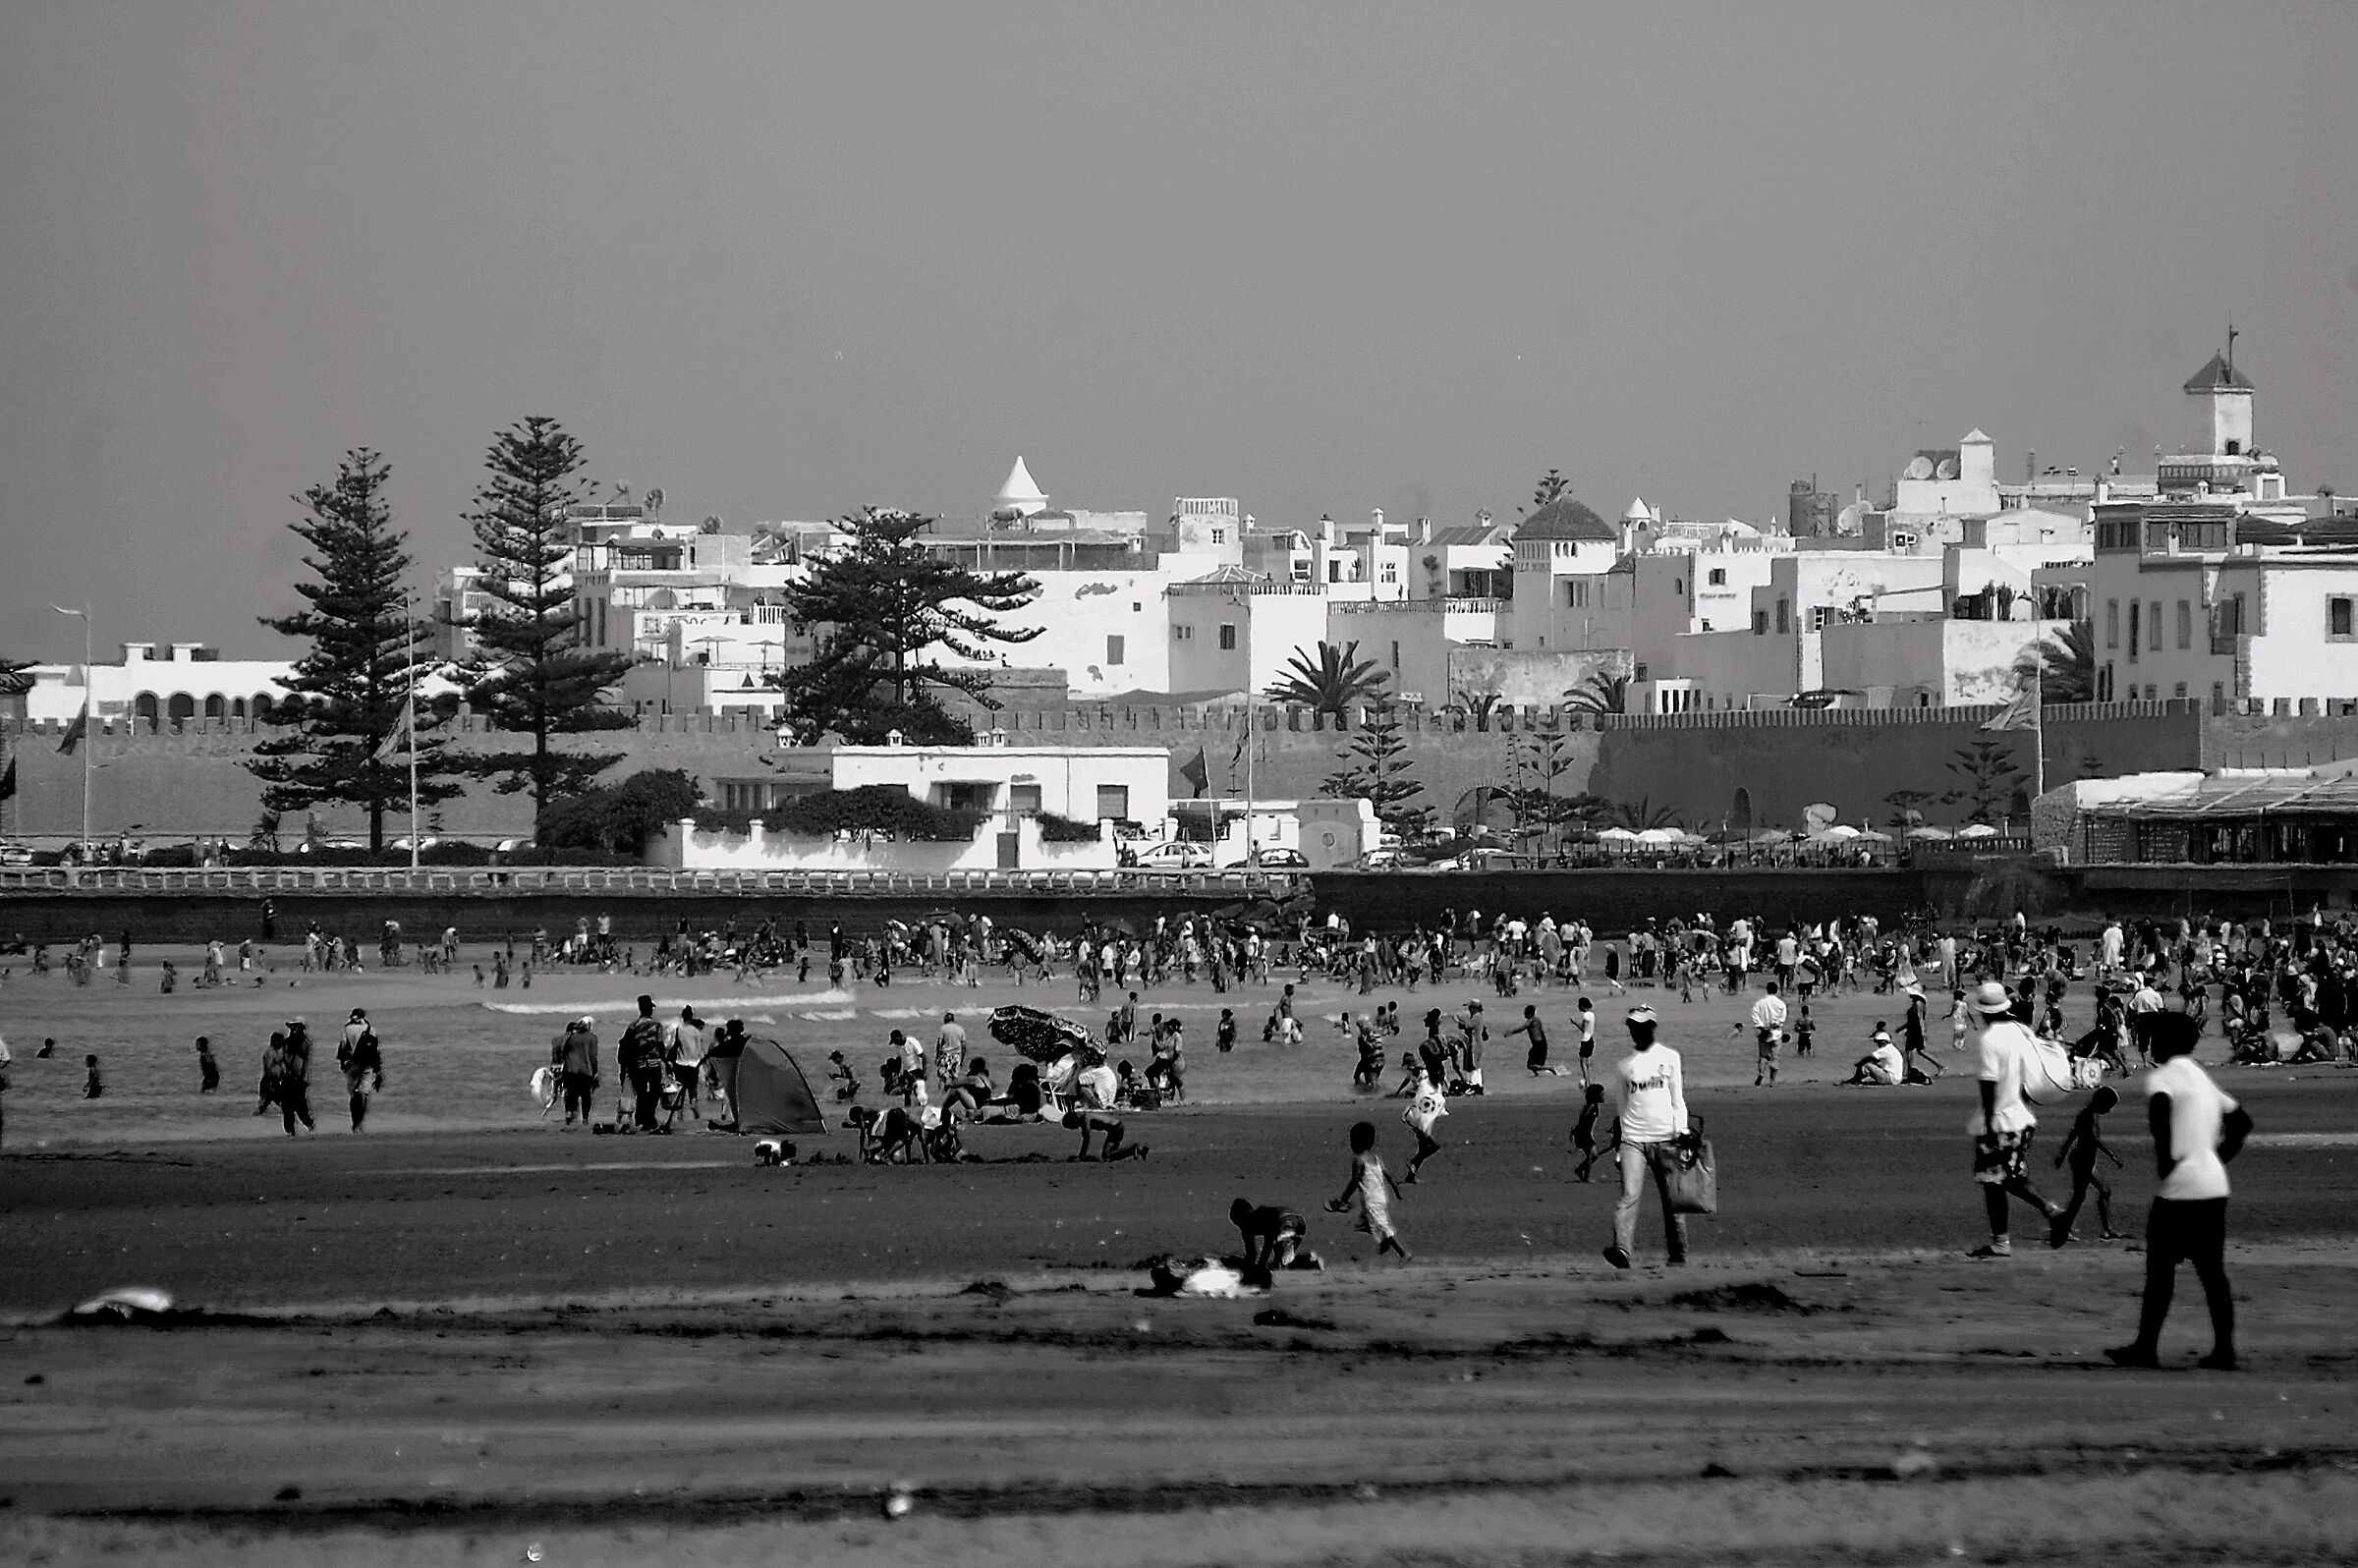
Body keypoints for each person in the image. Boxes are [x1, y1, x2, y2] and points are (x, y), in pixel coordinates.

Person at [2107, 1011, 2250, 1370]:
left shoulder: (2163, 1076)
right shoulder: (2202, 1077)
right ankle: (2224, 1351)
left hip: (2180, 1187)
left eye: (2155, 1037)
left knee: (2159, 1272)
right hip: (2214, 1185)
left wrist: (2166, 1161)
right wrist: (2217, 1158)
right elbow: (2242, 1122)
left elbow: (2159, 1111)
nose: (2151, 1042)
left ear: (2166, 1042)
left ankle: (2145, 1348)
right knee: (2212, 1273)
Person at [1965, 980, 2060, 1259]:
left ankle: (2004, 1240)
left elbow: (1988, 1084)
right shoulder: (2022, 1031)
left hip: (2001, 1121)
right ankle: (2051, 1213)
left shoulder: (1990, 1038)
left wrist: (1991, 1122)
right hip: (2022, 1117)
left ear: (1984, 1011)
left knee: (1993, 1182)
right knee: (2010, 1179)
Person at [1603, 1004, 1689, 1269]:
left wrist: (1683, 1132)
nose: (1636, 1031)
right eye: (1632, 1026)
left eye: (1641, 1026)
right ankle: (1623, 1250)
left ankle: (1678, 1255)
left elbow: (1678, 1099)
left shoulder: (1670, 1057)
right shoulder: (1623, 1067)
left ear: (1652, 1026)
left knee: (1672, 1201)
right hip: (1633, 1140)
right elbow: (1622, 1107)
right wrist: (1621, 1145)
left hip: (1667, 1138)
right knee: (1629, 1196)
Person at [2051, 1085, 2125, 1245]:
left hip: (2084, 1161)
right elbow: (2092, 1139)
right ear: (2102, 1103)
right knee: (2089, 1194)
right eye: (2109, 1106)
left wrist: (2062, 1155)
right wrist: (2112, 1156)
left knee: (2089, 1194)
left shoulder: (2089, 1113)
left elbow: (2073, 1134)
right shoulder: (2089, 1115)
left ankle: (2104, 1230)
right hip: (2082, 1162)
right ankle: (2068, 1229)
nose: (2110, 1111)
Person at [1325, 1121, 1410, 1260]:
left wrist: (1343, 1199)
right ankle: (1384, 1242)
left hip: (1371, 1199)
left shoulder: (1359, 1160)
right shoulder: (1376, 1158)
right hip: (1381, 1197)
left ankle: (1402, 1252)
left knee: (1382, 1226)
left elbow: (1354, 1181)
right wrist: (1397, 1191)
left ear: (1356, 1142)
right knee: (1365, 1224)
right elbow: (1389, 1176)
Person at [1231, 1198, 1322, 1279]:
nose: (1240, 1226)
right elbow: (1251, 1255)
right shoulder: (1247, 1228)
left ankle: (1309, 1261)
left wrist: (1259, 1267)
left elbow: (1268, 1243)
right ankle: (1307, 1261)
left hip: (1286, 1222)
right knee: (1280, 1261)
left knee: (1282, 1258)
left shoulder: (1260, 1215)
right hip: (1297, 1222)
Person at [618, 995, 667, 1132]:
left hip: (637, 1065)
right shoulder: (656, 1025)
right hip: (652, 1063)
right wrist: (666, 1062)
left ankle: (641, 1119)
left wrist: (624, 1068)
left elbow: (625, 1047)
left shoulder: (632, 1026)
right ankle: (649, 1118)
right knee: (655, 1092)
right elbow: (660, 1045)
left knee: (641, 1093)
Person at [1401, 1058, 1448, 1183]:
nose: (1440, 1077)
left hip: (1418, 1120)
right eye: (1439, 1074)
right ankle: (1413, 1162)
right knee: (1433, 1146)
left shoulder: (1436, 1084)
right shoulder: (1425, 1084)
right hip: (1416, 1120)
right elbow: (1422, 1106)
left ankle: (1411, 1175)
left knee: (1423, 1149)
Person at [336, 1009, 383, 1131]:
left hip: (352, 1065)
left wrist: (342, 1063)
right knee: (364, 1094)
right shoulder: (370, 1029)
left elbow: (343, 1047)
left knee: (353, 1095)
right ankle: (360, 1122)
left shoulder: (346, 1029)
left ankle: (355, 1122)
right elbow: (376, 1051)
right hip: (368, 1065)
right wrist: (378, 1070)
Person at [552, 1015, 600, 1127]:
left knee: (570, 1094)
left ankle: (569, 1115)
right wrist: (595, 1072)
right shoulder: (592, 1038)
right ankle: (585, 1119)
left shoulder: (571, 1037)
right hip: (586, 1071)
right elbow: (593, 1057)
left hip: (570, 1070)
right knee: (586, 1096)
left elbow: (559, 1047)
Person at [1570, 1082, 1611, 1183]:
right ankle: (1585, 1178)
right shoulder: (1591, 1107)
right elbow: (1583, 1119)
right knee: (1590, 1156)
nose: (1604, 1097)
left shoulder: (1595, 1106)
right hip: (1583, 1134)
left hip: (1586, 1134)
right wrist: (1574, 1132)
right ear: (1596, 1097)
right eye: (1602, 1095)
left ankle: (1579, 1170)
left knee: (1594, 1156)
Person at [1750, 981, 1787, 1087]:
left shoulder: (1759, 1003)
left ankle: (1761, 1073)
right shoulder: (1781, 1004)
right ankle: (1772, 1081)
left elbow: (1755, 1017)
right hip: (1776, 1034)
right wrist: (1772, 1027)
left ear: (1767, 989)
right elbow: (1781, 1020)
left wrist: (1763, 1027)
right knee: (1775, 1057)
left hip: (1763, 1033)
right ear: (1776, 990)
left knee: (1763, 1056)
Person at [1510, 1005, 1564, 1076]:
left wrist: (1511, 1032)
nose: (1524, 1014)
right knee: (1531, 1061)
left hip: (1538, 1045)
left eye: (1525, 1013)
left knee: (1530, 1065)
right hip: (1541, 1044)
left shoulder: (1531, 1020)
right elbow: (1540, 1032)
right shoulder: (1537, 1020)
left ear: (1529, 1014)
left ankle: (1550, 1068)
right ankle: (1536, 1075)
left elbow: (1521, 1029)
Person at [935, 1012, 968, 1086]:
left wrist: (937, 1056)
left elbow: (939, 1043)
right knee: (955, 1077)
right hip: (956, 1055)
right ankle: (954, 1094)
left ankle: (942, 1094)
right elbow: (964, 1045)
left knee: (943, 1077)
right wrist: (962, 1058)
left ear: (945, 1020)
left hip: (945, 1055)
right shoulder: (960, 1029)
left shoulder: (943, 1028)